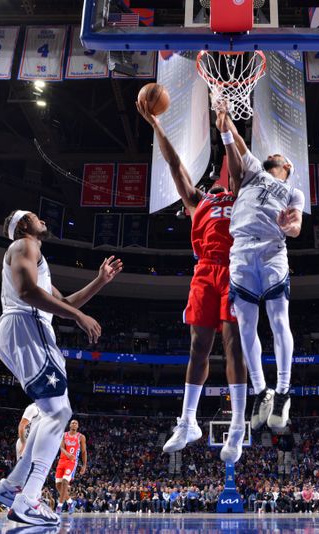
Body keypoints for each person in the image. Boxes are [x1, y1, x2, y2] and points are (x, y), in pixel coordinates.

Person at [0, 210, 123, 526]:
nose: (44, 220)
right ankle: (28, 499)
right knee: (59, 414)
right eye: (36, 217)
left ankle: (13, 486)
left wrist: (100, 281)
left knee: (55, 412)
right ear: (24, 226)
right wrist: (79, 318)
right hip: (27, 325)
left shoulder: (32, 255)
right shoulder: (25, 244)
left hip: (19, 329)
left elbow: (66, 305)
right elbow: (28, 293)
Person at [136, 97, 248, 462]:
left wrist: (226, 126)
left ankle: (236, 428)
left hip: (236, 269)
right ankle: (187, 421)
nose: (218, 182)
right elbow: (173, 163)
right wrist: (156, 125)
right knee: (198, 346)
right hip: (204, 271)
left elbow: (238, 163)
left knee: (233, 345)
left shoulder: (242, 195)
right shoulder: (197, 200)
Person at [219, 110, 305, 434]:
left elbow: (296, 225)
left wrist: (290, 227)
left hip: (272, 251)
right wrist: (224, 118)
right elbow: (238, 144)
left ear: (288, 168)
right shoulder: (255, 172)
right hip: (240, 251)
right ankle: (261, 392)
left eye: (279, 156)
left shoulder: (293, 192)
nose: (272, 155)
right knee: (245, 329)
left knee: (279, 320)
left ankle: (282, 391)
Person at [56, 419, 87, 514]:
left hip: (72, 462)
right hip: (62, 461)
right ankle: (70, 502)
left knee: (65, 482)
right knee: (58, 486)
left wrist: (84, 465)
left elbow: (83, 452)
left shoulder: (81, 437)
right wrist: (67, 454)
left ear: (77, 426)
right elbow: (61, 447)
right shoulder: (64, 435)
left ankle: (59, 506)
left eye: (76, 423)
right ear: (69, 425)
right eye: (72, 422)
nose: (74, 424)